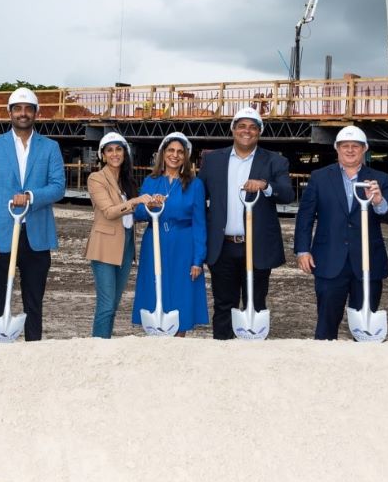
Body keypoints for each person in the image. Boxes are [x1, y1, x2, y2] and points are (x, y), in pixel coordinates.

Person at [0, 87, 65, 341]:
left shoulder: (50, 147)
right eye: (18, 109)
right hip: (0, 237)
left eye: (28, 109)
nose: (23, 114)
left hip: (36, 236)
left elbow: (58, 186)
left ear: (36, 113)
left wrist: (32, 197)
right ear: (10, 112)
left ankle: (33, 347)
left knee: (34, 301)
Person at [294, 126, 388, 340]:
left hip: (368, 262)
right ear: (337, 149)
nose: (350, 150)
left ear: (365, 150)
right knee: (326, 324)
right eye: (345, 146)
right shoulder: (320, 177)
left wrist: (379, 201)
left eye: (355, 146)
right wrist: (302, 250)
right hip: (329, 260)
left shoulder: (380, 179)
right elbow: (305, 217)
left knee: (364, 326)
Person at [199, 107, 295, 339]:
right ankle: (223, 351)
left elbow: (287, 194)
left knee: (256, 303)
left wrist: (266, 186)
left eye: (253, 127)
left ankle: (252, 353)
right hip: (223, 246)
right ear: (233, 129)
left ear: (259, 132)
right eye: (241, 126)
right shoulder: (212, 160)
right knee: (224, 304)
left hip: (257, 245)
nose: (247, 131)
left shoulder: (275, 161)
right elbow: (198, 197)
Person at [131, 132, 209, 335]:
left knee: (180, 296)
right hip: (154, 242)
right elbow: (139, 214)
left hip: (183, 245)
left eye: (180, 152)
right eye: (171, 150)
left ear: (186, 156)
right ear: (163, 153)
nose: (175, 155)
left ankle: (178, 342)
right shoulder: (151, 181)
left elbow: (200, 223)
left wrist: (197, 260)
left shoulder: (195, 184)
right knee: (155, 289)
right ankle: (155, 334)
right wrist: (149, 203)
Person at [84, 132, 147, 338]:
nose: (114, 154)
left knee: (114, 303)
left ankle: (105, 341)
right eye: (109, 150)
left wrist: (149, 204)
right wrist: (136, 201)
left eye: (118, 149)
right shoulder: (96, 178)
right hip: (104, 247)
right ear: (102, 154)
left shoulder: (127, 181)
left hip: (126, 246)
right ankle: (98, 345)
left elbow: (130, 216)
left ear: (125, 153)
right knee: (106, 303)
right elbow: (110, 212)